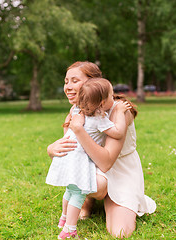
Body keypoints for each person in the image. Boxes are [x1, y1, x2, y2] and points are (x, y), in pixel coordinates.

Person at [47, 61, 156, 238]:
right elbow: (72, 148)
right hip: (91, 165)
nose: (68, 87)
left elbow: (106, 162)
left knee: (120, 232)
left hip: (118, 168)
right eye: (66, 81)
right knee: (79, 171)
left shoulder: (118, 109)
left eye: (74, 81)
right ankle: (87, 200)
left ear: (93, 83)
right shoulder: (77, 109)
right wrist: (51, 149)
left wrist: (79, 130)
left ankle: (101, 197)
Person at [46, 78, 131, 239]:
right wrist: (119, 112)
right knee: (78, 193)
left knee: (70, 190)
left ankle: (63, 219)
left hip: (68, 156)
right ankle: (69, 229)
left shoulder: (76, 111)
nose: (114, 100)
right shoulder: (99, 118)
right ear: (101, 103)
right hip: (79, 160)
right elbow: (118, 133)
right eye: (112, 97)